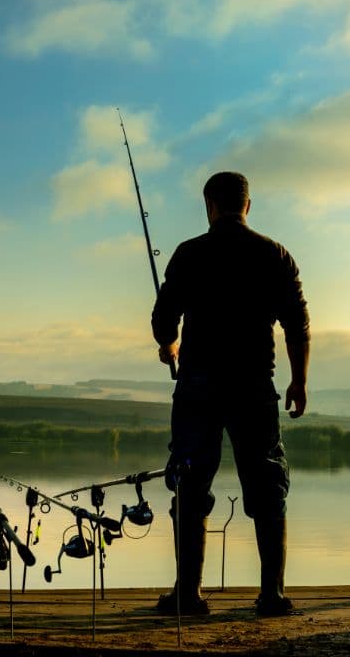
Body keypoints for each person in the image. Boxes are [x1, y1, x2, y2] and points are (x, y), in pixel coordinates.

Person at [151, 171, 310, 617]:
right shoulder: (275, 255)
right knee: (267, 484)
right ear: (248, 205)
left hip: (198, 386)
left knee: (189, 482)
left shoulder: (189, 254)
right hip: (256, 385)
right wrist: (298, 381)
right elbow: (297, 323)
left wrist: (169, 344)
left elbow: (164, 318)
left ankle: (188, 595)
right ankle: (272, 595)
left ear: (209, 206)